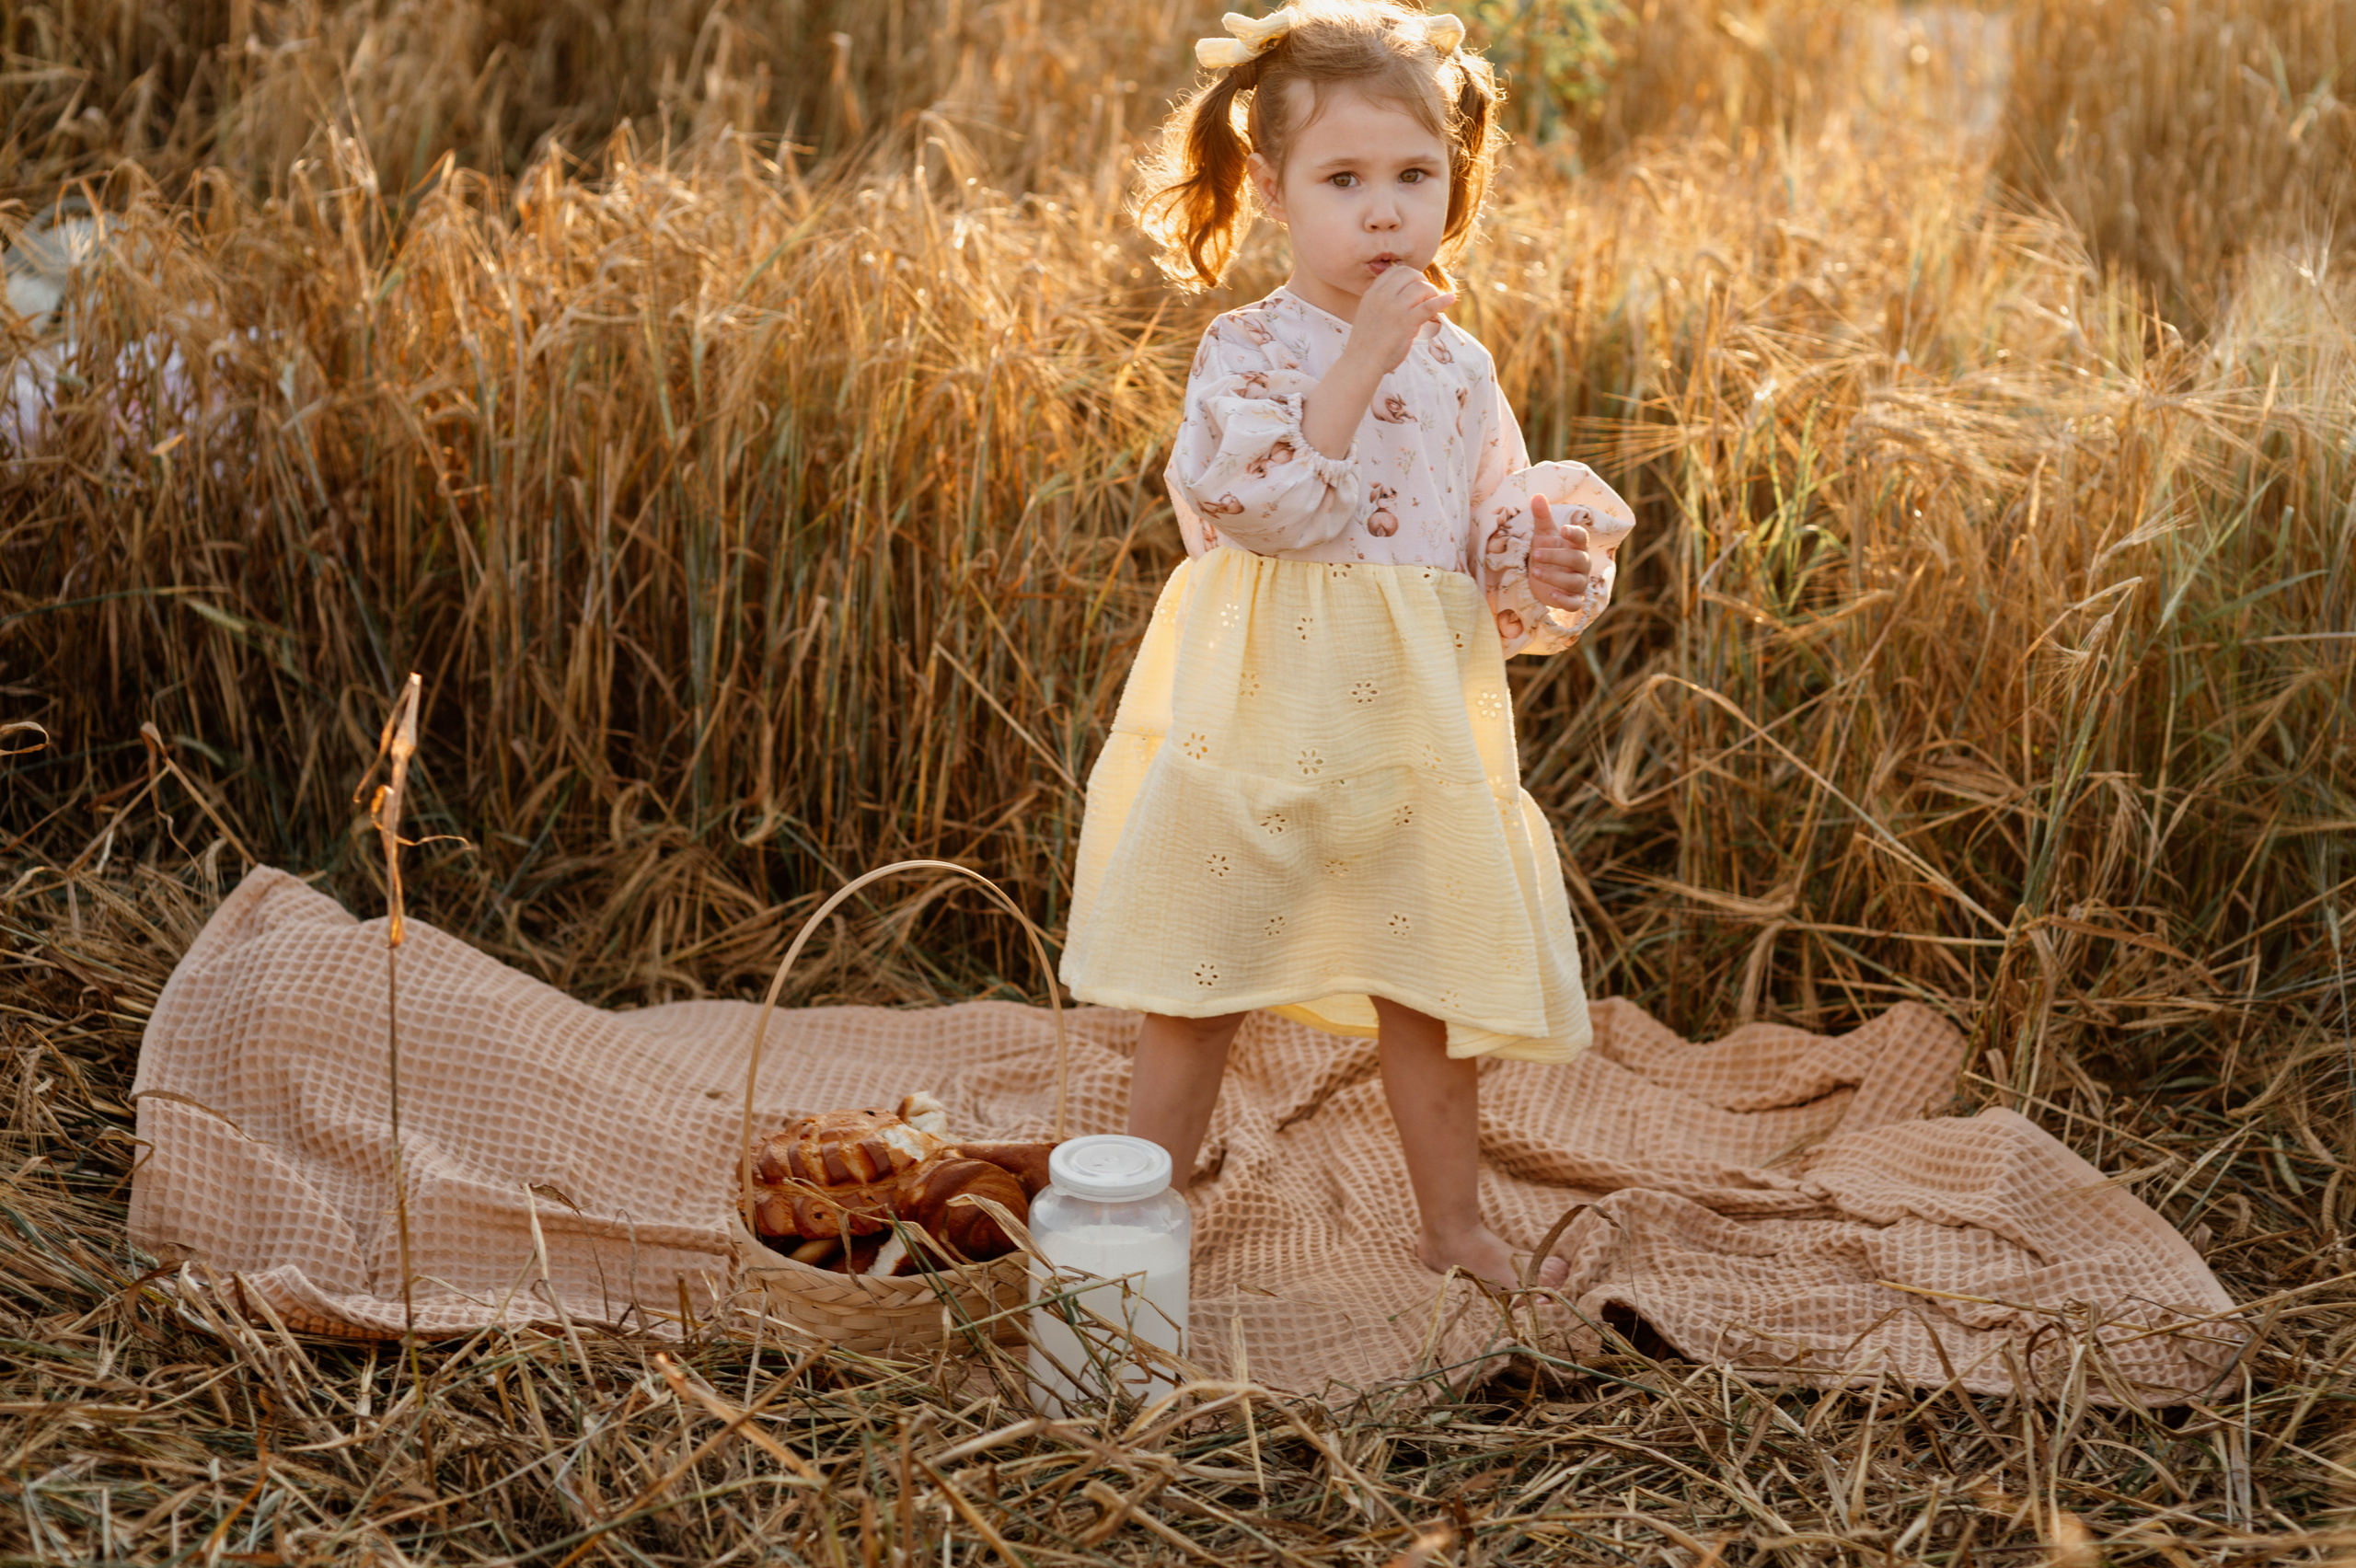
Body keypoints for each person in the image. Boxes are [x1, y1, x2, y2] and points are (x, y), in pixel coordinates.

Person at [1058, 0, 1635, 1288]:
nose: (1385, 213)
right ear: (1271, 192)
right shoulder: (1248, 350)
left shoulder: (1462, 368)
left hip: (1404, 722)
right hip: (1262, 713)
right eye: (1345, 181)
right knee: (1199, 981)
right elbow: (1256, 507)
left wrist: (1529, 558)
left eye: (1414, 178)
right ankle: (1128, 1236)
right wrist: (1362, 361)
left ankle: (1455, 1227)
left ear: (1454, 183)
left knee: (1421, 982)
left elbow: (1475, 533)